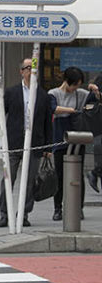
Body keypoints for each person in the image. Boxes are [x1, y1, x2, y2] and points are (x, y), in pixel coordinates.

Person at [0, 58, 53, 227]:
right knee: (8, 179)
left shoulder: (43, 96)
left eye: (34, 68)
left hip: (35, 144)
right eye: (28, 68)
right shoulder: (11, 92)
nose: (31, 71)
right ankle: (4, 214)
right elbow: (0, 115)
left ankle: (23, 214)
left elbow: (48, 122)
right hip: (13, 142)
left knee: (30, 181)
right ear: (21, 71)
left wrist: (48, 146)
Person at [48, 66, 89, 221]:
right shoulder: (54, 93)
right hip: (60, 139)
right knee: (59, 175)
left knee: (78, 175)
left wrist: (95, 90)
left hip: (78, 139)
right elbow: (53, 108)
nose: (76, 88)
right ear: (67, 81)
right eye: (75, 85)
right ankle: (58, 208)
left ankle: (78, 208)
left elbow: (95, 100)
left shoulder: (81, 93)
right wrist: (72, 110)